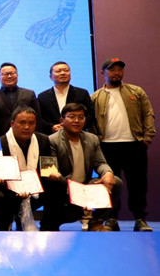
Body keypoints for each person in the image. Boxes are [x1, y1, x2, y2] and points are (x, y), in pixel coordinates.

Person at [91, 57, 155, 231]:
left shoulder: (136, 91)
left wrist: (147, 138)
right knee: (110, 184)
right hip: (106, 146)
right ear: (103, 73)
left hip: (134, 145)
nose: (117, 73)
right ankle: (111, 219)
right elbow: (91, 122)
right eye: (112, 70)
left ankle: (140, 219)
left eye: (120, 69)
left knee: (138, 184)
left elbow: (148, 114)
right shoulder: (95, 97)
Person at [41, 103, 122, 231]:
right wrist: (76, 193)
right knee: (53, 188)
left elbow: (100, 163)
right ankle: (51, 223)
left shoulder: (92, 139)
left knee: (115, 181)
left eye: (81, 117)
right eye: (71, 117)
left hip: (85, 186)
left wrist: (108, 173)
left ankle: (96, 222)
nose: (77, 120)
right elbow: (50, 171)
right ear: (62, 120)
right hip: (64, 188)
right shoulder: (51, 140)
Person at [0, 106, 54, 231]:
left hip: (35, 191)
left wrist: (52, 174)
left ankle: (48, 225)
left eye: (31, 123)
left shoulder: (43, 140)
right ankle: (4, 224)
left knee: (57, 186)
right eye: (22, 122)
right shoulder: (0, 143)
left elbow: (47, 169)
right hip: (8, 191)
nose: (27, 127)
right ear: (12, 124)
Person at [38, 61, 95, 134]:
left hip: (78, 134)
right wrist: (51, 127)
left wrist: (76, 125)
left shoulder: (82, 93)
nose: (63, 73)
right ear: (51, 77)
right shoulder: (43, 96)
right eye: (58, 71)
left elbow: (91, 115)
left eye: (66, 70)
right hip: (52, 136)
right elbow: (40, 118)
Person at [0, 63, 40, 138]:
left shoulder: (29, 94)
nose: (9, 76)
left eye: (12, 73)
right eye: (5, 74)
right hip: (0, 138)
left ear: (17, 75)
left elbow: (38, 118)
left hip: (26, 137)